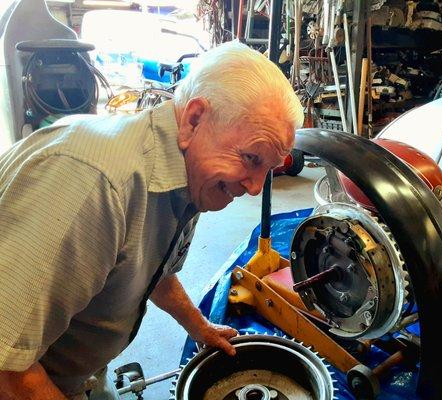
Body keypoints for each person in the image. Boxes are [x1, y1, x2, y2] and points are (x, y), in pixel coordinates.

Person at [0, 41, 303, 399]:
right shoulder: (96, 187)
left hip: (75, 372)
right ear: (194, 119)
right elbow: (7, 367)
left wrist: (199, 326)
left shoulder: (187, 176)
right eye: (252, 158)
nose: (255, 188)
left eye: (268, 170)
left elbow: (151, 267)